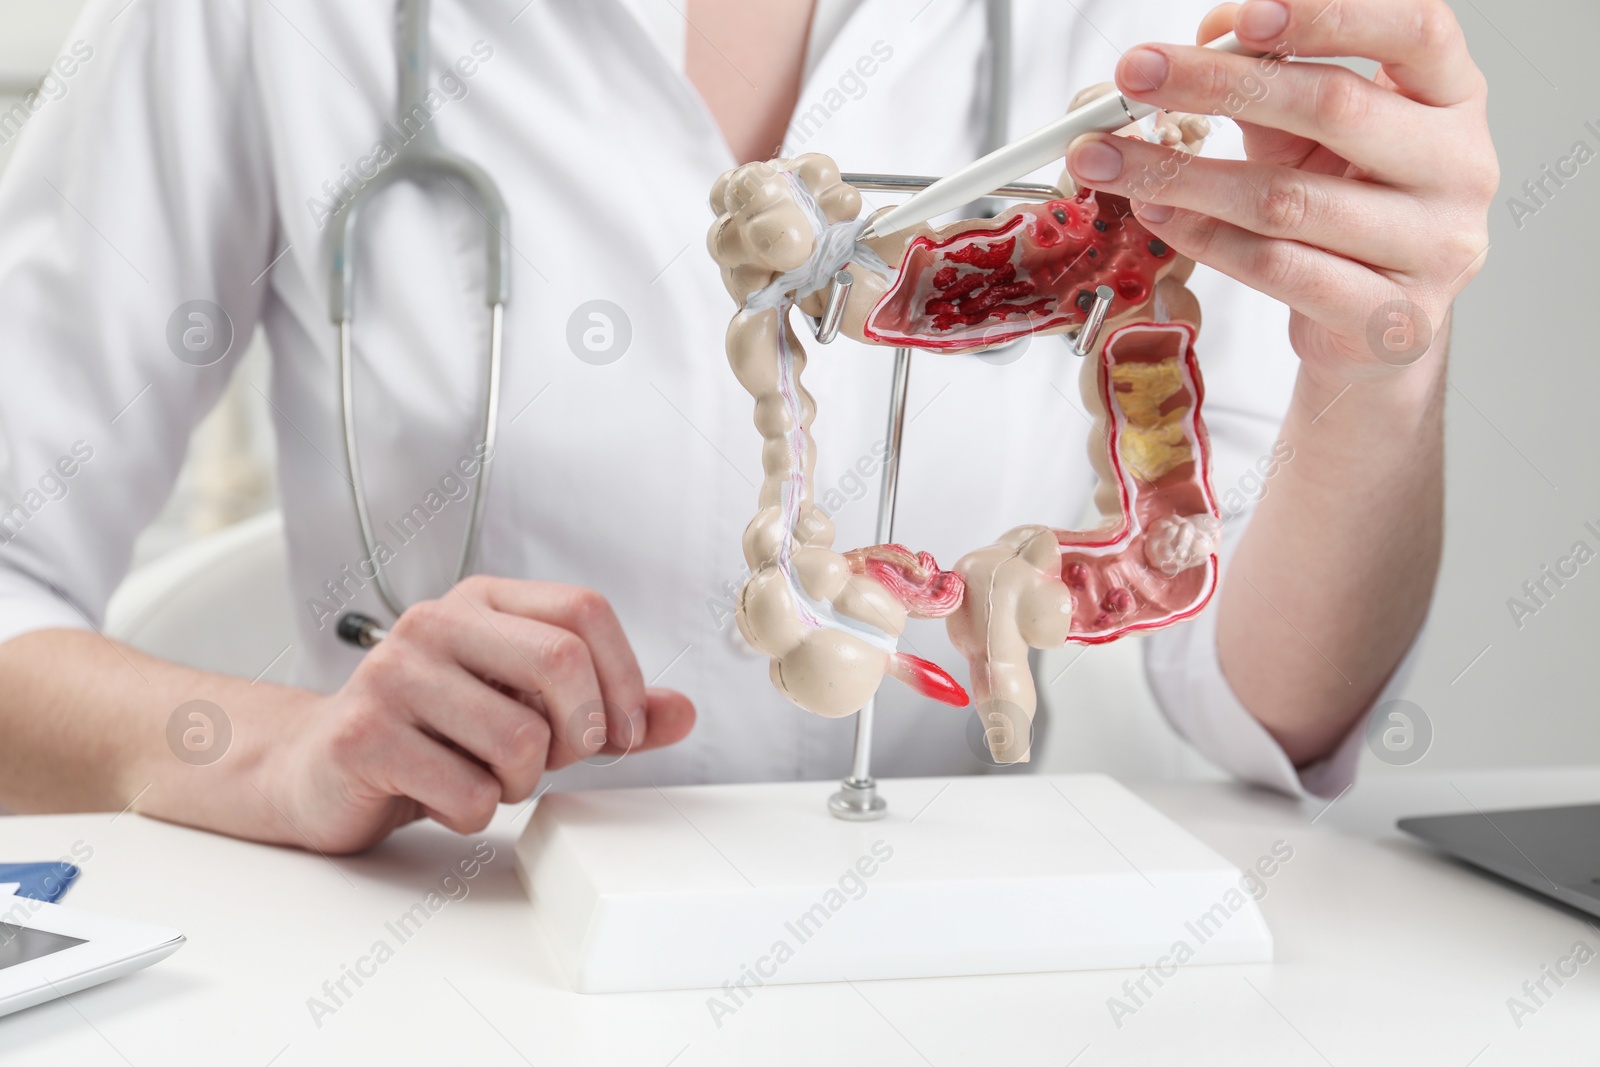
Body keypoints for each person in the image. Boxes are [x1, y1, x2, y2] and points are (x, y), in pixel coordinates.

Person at [0, 0, 1495, 853]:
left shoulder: (1167, 29)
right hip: (458, 971)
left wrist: (1377, 365)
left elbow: (1248, 700)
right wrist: (274, 750)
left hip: (961, 987)